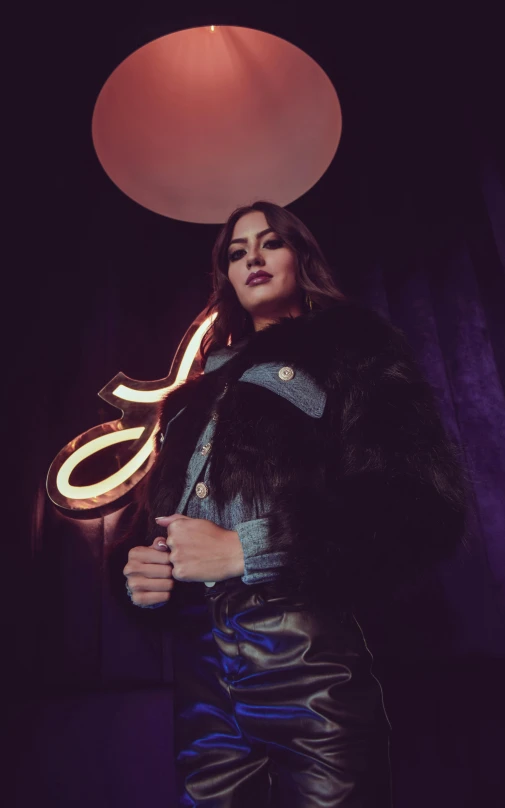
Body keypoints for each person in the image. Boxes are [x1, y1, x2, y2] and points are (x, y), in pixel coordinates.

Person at [122, 201, 468, 807]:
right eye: (236, 251)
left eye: (270, 242)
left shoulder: (355, 347)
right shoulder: (192, 398)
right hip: (199, 675)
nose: (252, 256)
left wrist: (246, 548)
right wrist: (141, 576)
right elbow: (155, 530)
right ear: (225, 276)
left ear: (300, 255)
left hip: (307, 654)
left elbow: (421, 503)